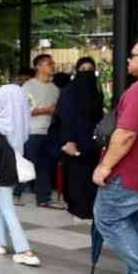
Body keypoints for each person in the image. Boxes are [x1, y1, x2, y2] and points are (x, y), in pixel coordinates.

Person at [93, 39, 138, 274]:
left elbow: (125, 134)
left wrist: (105, 166)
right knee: (133, 222)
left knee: (108, 219)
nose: (128, 61)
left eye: (133, 55)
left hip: (129, 173)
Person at [0, 85, 42, 266]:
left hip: (2, 171)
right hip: (15, 169)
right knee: (2, 204)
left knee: (7, 208)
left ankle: (24, 250)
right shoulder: (21, 121)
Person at [55, 56, 105, 220]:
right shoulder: (70, 91)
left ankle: (90, 208)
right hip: (75, 141)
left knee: (90, 174)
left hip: (92, 141)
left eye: (90, 70)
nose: (87, 74)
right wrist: (69, 140)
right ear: (77, 71)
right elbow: (65, 117)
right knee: (76, 175)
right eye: (83, 70)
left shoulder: (96, 91)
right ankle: (78, 207)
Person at [19, 54, 62, 209]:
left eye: (52, 63)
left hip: (48, 131)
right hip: (32, 131)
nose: (52, 65)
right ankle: (15, 194)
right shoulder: (28, 86)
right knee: (28, 163)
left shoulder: (55, 89)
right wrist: (48, 110)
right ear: (38, 66)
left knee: (45, 165)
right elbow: (25, 110)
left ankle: (43, 198)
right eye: (48, 63)